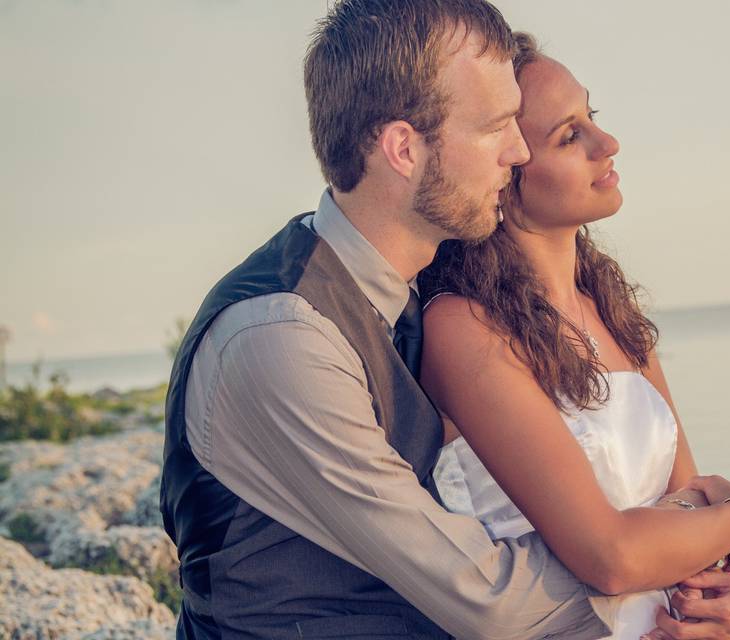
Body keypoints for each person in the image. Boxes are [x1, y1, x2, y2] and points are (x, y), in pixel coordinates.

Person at [160, 2, 623, 638]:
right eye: (495, 127)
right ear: (403, 149)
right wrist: (658, 578)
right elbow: (483, 599)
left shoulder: (427, 295)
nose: (518, 152)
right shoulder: (280, 338)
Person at [417, 33, 730, 640]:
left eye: (593, 118)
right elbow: (608, 557)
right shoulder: (464, 327)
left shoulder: (614, 314)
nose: (607, 145)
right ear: (505, 172)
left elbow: (693, 502)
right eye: (568, 136)